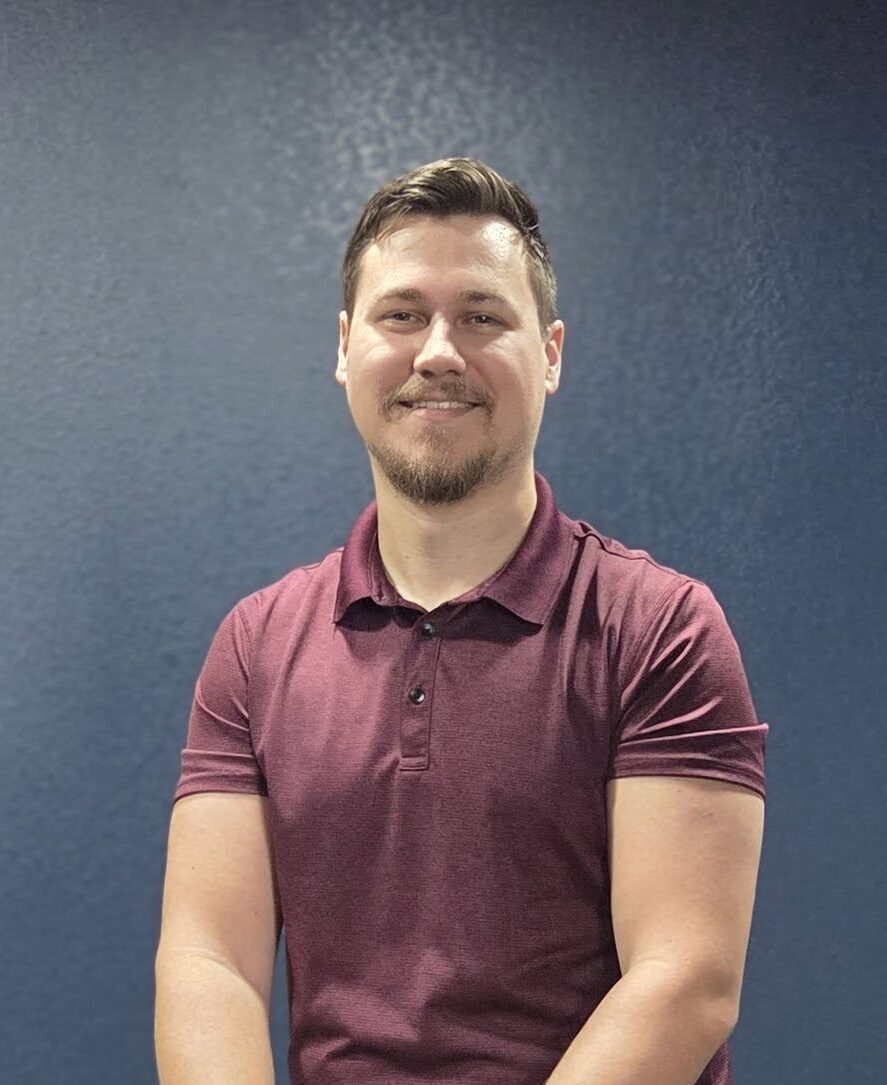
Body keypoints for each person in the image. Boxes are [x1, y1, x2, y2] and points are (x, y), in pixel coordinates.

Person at [154, 157, 768, 1085]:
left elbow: (684, 981)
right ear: (345, 346)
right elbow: (210, 965)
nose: (438, 352)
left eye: (482, 317)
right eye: (402, 315)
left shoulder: (659, 628)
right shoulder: (256, 644)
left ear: (550, 353)